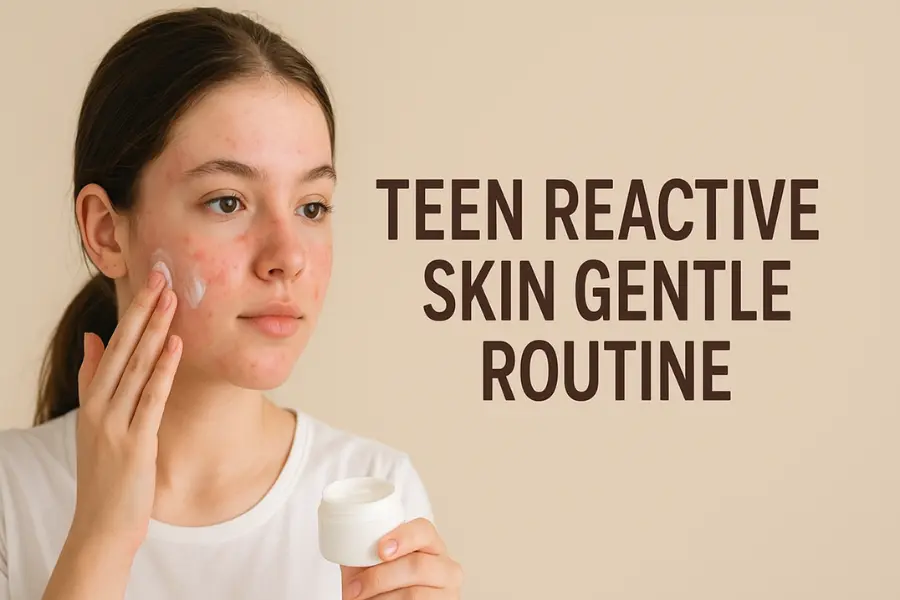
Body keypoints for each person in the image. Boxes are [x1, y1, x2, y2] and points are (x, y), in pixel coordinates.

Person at [0, 7, 462, 600]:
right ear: (107, 231)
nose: (287, 256)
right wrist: (102, 535)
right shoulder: (12, 496)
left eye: (312, 207)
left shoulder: (372, 491)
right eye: (227, 202)